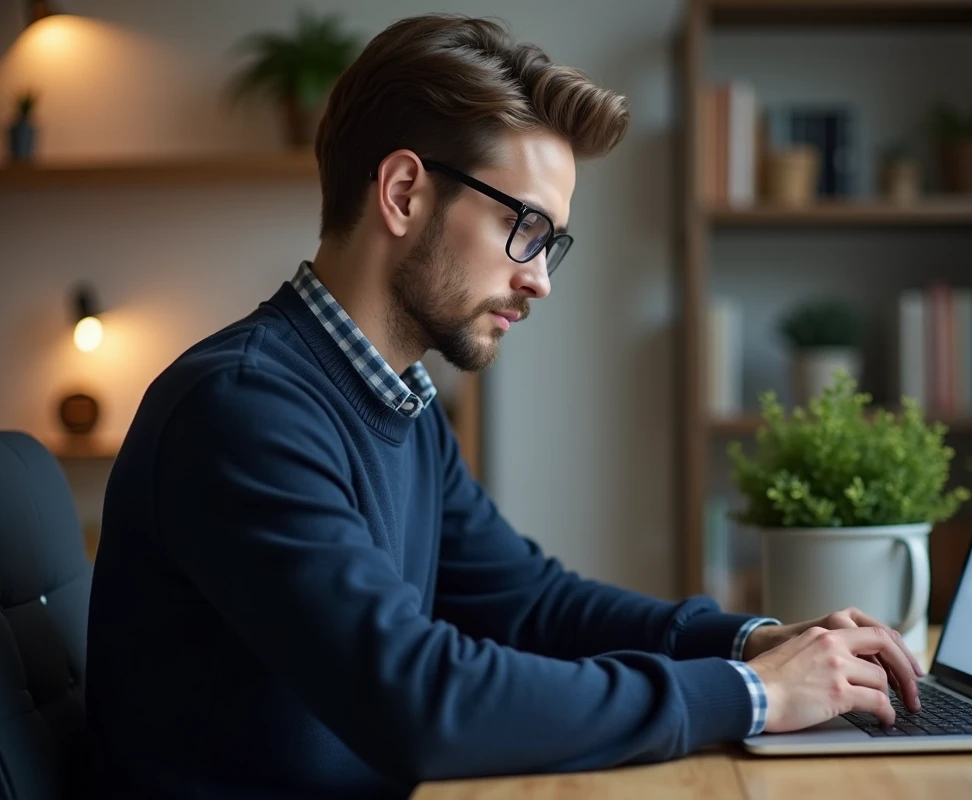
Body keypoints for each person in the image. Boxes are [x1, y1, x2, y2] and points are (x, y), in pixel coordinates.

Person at [85, 13, 923, 798]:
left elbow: (533, 605)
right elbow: (422, 703)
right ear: (406, 193)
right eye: (524, 227)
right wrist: (751, 696)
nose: (541, 278)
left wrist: (752, 645)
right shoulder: (243, 410)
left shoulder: (400, 405)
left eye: (552, 242)